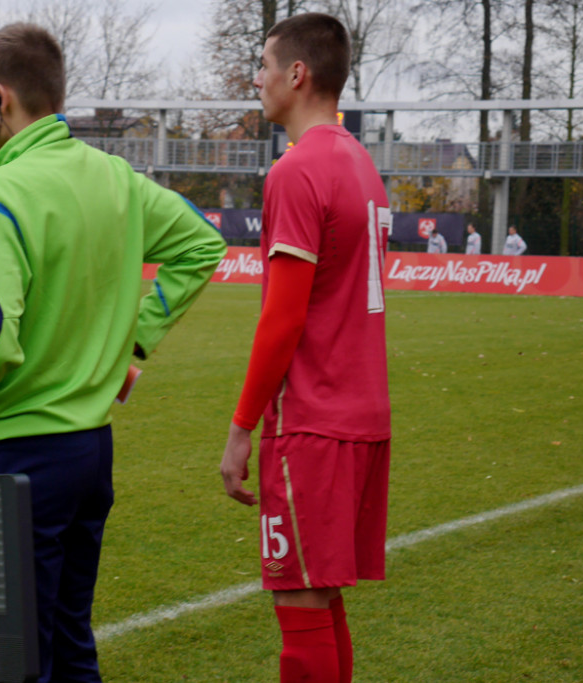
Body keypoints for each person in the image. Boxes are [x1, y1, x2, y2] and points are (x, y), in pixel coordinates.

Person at [0, 23, 226, 683]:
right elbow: (203, 244)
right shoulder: (114, 176)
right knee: (69, 641)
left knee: (17, 655)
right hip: (90, 452)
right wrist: (131, 345)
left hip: (18, 455)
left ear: (3, 99)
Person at [219, 13, 391, 683]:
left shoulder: (298, 170)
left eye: (263, 65)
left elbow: (281, 319)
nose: (255, 79)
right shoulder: (360, 163)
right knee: (322, 595)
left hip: (313, 424)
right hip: (363, 417)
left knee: (298, 599)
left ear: (298, 74)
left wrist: (240, 430)